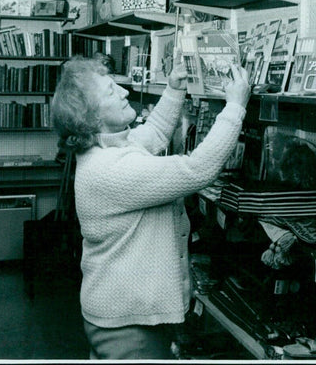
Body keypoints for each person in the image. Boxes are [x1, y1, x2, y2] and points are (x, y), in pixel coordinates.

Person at [51, 55, 251, 360]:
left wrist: (173, 89)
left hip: (124, 315)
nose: (125, 92)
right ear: (92, 117)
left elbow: (154, 133)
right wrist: (235, 107)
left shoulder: (108, 146)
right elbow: (197, 169)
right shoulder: (110, 169)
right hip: (128, 326)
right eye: (111, 91)